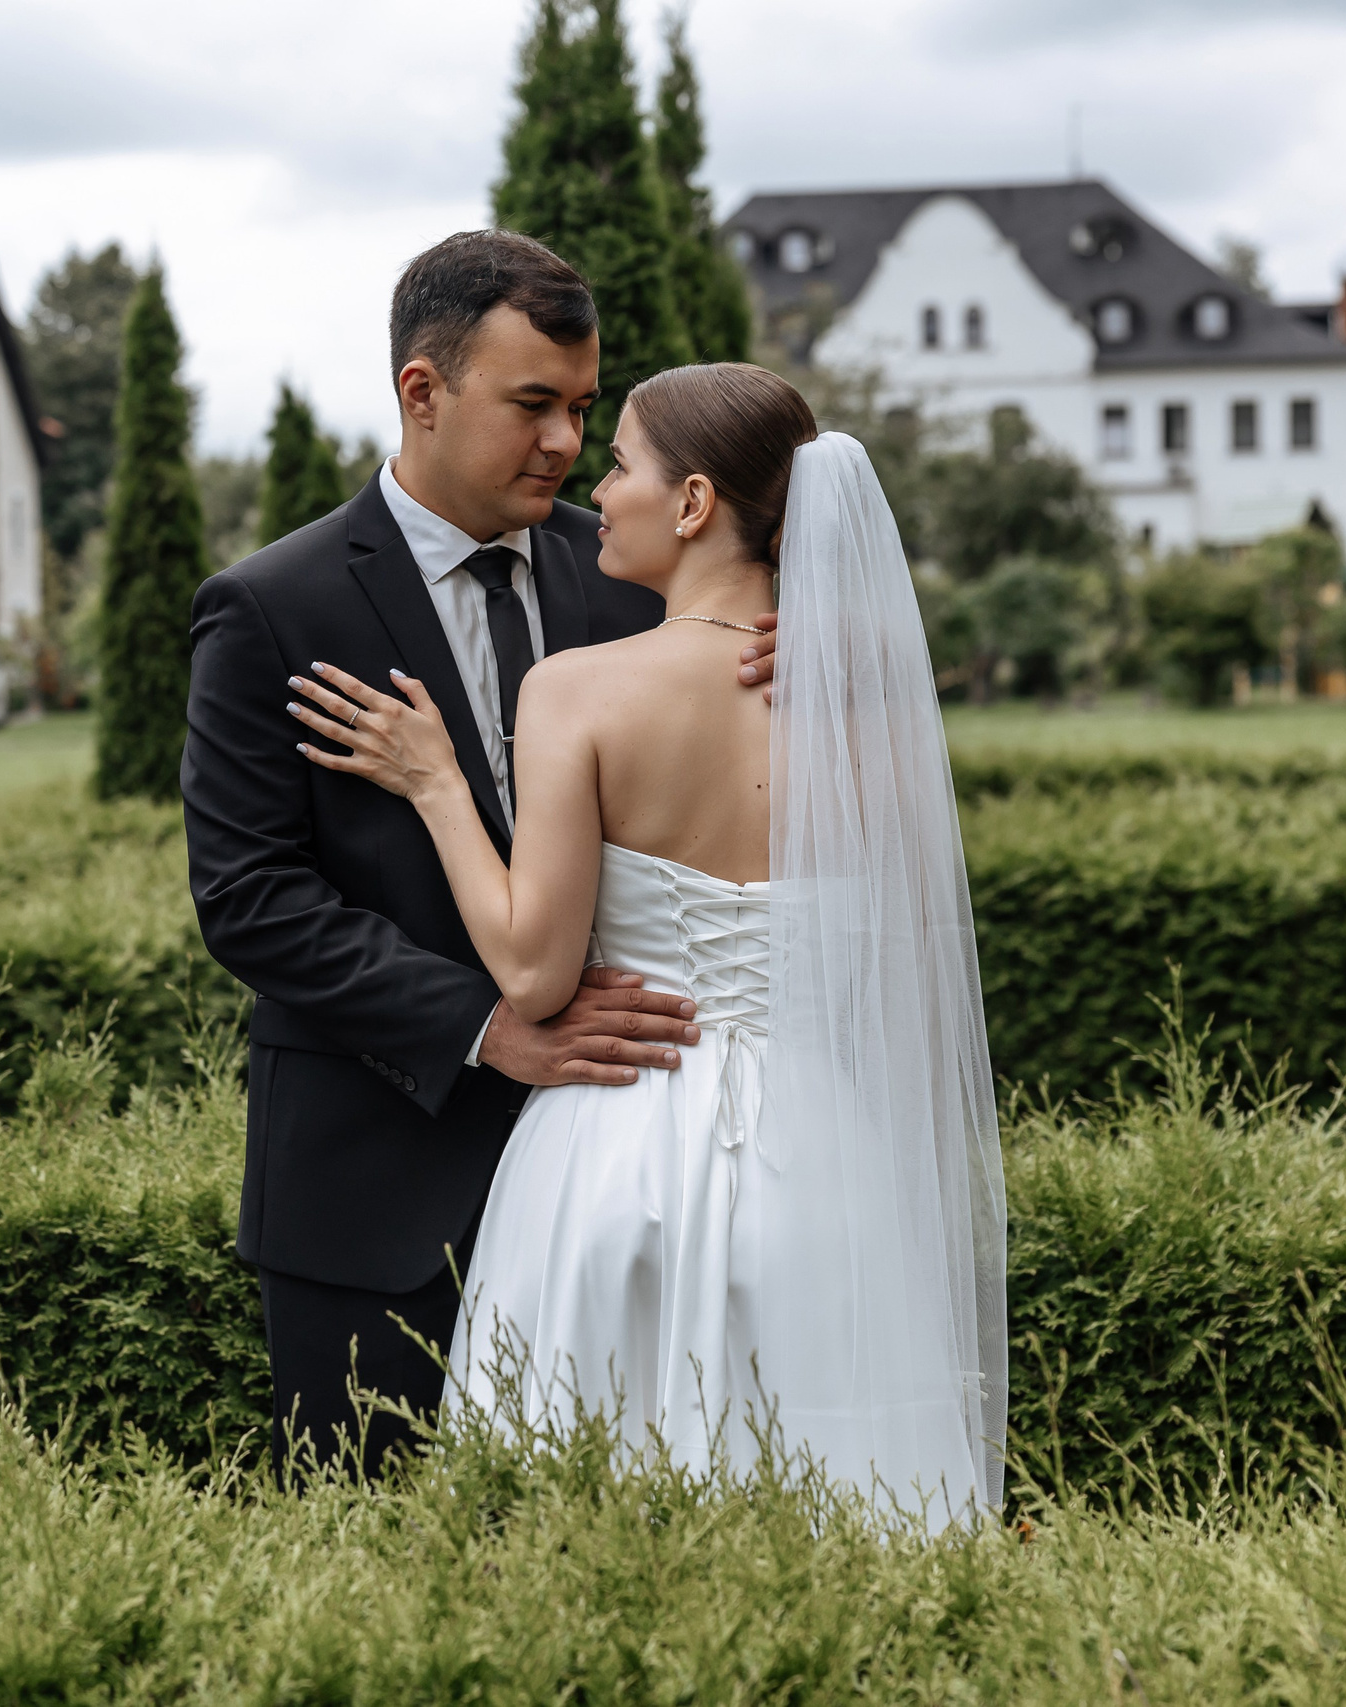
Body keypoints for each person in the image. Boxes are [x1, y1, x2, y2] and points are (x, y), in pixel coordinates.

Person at [290, 363, 1008, 1522]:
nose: (595, 483)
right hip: (825, 1158)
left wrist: (434, 785)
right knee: (850, 1506)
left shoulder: (575, 690)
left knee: (578, 1510)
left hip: (613, 1146)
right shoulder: (857, 699)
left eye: (620, 462)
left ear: (691, 505)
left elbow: (533, 972)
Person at [182, 231, 780, 1476]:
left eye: (581, 410)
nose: (566, 444)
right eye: (532, 406)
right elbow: (250, 898)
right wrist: (485, 1026)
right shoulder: (272, 607)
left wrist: (824, 652)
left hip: (629, 1185)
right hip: (372, 1203)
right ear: (422, 391)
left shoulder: (628, 567)